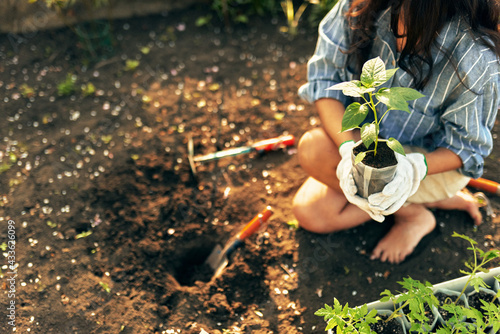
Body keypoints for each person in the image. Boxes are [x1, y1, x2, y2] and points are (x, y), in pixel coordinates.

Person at [292, 0, 500, 264]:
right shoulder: (361, 5)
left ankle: (413, 215)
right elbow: (325, 79)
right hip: (367, 143)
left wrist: (411, 171)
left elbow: (467, 148)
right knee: (312, 208)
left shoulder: (475, 59)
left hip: (431, 162)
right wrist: (349, 150)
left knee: (320, 171)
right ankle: (421, 204)